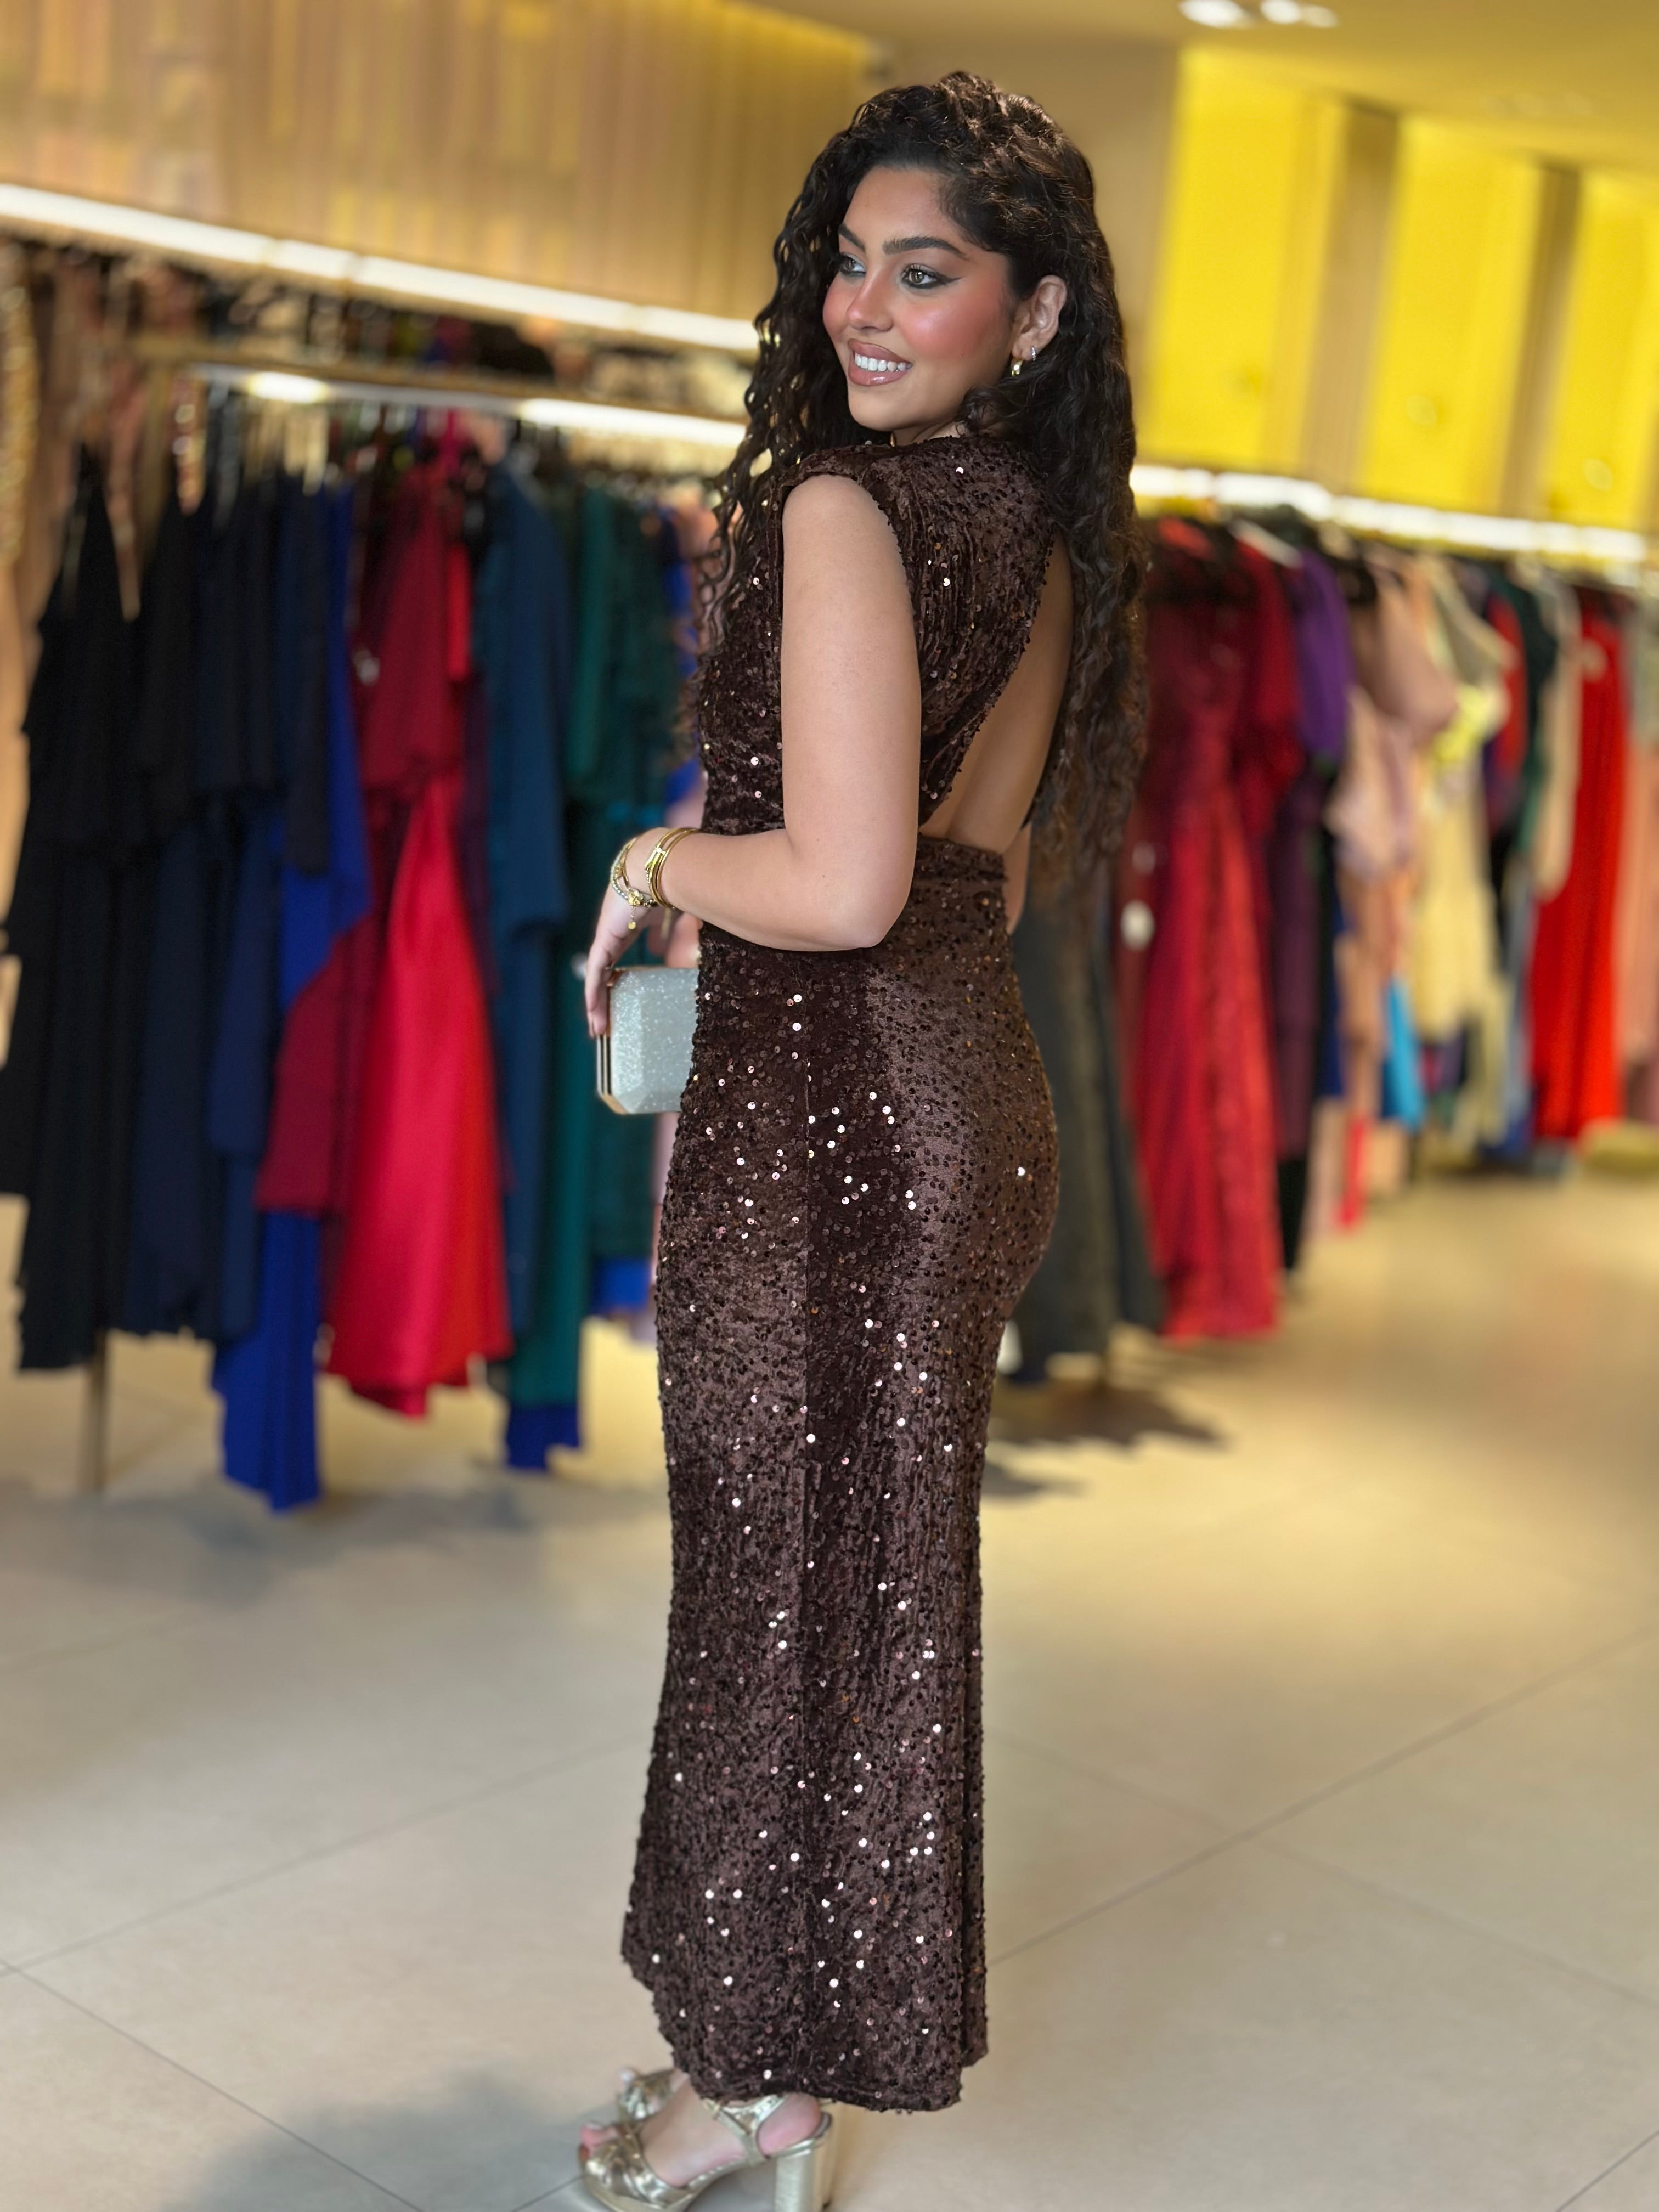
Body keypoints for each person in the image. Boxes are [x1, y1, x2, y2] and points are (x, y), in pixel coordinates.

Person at [577, 71, 1144, 2211]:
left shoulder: (841, 510)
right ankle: (788, 2070)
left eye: (927, 273)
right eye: (850, 264)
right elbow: (976, 864)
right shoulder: (1045, 536)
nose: (865, 309)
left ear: (1034, 311)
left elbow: (836, 883)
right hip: (961, 1105)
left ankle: (753, 2092)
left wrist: (659, 860)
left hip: (828, 1131)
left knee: (770, 1610)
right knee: (863, 1612)